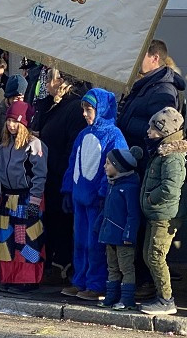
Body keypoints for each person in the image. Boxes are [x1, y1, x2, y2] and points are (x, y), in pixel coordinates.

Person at [61, 89, 128, 301]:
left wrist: (103, 192)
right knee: (79, 241)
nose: (84, 114)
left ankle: (96, 284)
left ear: (101, 110)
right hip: (79, 198)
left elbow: (116, 166)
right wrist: (67, 190)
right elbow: (73, 163)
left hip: (97, 201)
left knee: (95, 244)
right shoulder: (83, 134)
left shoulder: (114, 135)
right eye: (84, 109)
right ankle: (79, 280)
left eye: (89, 109)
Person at [31, 67, 88, 285]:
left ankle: (63, 267)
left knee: (62, 225)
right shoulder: (51, 105)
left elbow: (71, 147)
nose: (45, 82)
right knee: (51, 223)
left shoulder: (74, 107)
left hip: (59, 176)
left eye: (50, 78)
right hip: (47, 175)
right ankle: (51, 264)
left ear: (62, 81)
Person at [139, 108, 187, 316]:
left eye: (154, 127)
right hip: (156, 213)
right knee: (148, 255)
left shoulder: (172, 156)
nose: (149, 131)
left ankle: (166, 299)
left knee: (156, 256)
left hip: (165, 215)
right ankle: (161, 294)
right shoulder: (162, 151)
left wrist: (151, 197)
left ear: (165, 130)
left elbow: (171, 186)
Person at [0, 101, 47, 292]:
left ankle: (27, 279)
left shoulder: (34, 145)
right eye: (8, 121)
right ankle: (9, 277)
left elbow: (40, 175)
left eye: (15, 121)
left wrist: (35, 200)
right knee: (6, 240)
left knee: (26, 239)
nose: (11, 125)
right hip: (8, 198)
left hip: (26, 198)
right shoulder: (3, 147)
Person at [116, 40, 183, 155]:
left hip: (143, 157)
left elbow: (161, 129)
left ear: (155, 58)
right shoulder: (146, 84)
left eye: (141, 56)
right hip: (133, 152)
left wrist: (127, 123)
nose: (136, 60)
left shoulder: (163, 89)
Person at [98, 148, 143, 309]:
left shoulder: (130, 187)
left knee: (126, 268)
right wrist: (99, 227)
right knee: (112, 267)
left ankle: (127, 299)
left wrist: (129, 234)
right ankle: (111, 296)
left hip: (123, 238)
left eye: (108, 163)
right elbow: (106, 211)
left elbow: (133, 214)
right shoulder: (113, 185)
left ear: (119, 167)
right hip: (110, 235)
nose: (105, 166)